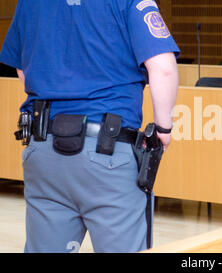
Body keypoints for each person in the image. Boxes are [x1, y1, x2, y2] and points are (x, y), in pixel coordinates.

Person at [0, 0, 179, 252]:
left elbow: (22, 69)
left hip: (44, 147)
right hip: (107, 152)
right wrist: (163, 128)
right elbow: (163, 68)